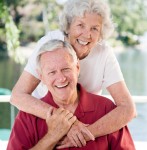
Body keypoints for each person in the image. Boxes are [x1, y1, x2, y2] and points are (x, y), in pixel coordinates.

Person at [10, 0, 136, 147]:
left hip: (88, 118)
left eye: (94, 28)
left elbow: (128, 108)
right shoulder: (49, 44)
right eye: (80, 25)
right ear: (68, 26)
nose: (87, 35)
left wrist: (84, 133)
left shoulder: (104, 52)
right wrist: (66, 122)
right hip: (45, 117)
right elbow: (17, 96)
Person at [7, 40, 135, 150]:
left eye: (66, 69)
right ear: (42, 77)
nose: (61, 78)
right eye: (52, 72)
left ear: (77, 68)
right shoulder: (27, 117)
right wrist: (52, 137)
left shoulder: (107, 109)